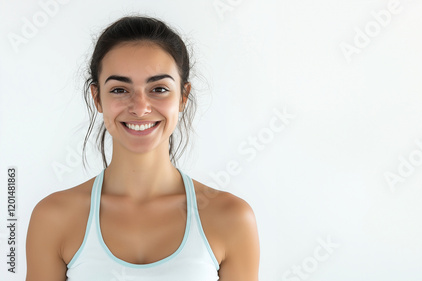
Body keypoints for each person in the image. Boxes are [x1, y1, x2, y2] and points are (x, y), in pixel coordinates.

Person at [25, 15, 260, 281]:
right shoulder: (53, 217)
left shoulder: (231, 218)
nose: (139, 107)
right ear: (97, 98)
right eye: (119, 90)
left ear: (182, 97)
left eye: (158, 89)